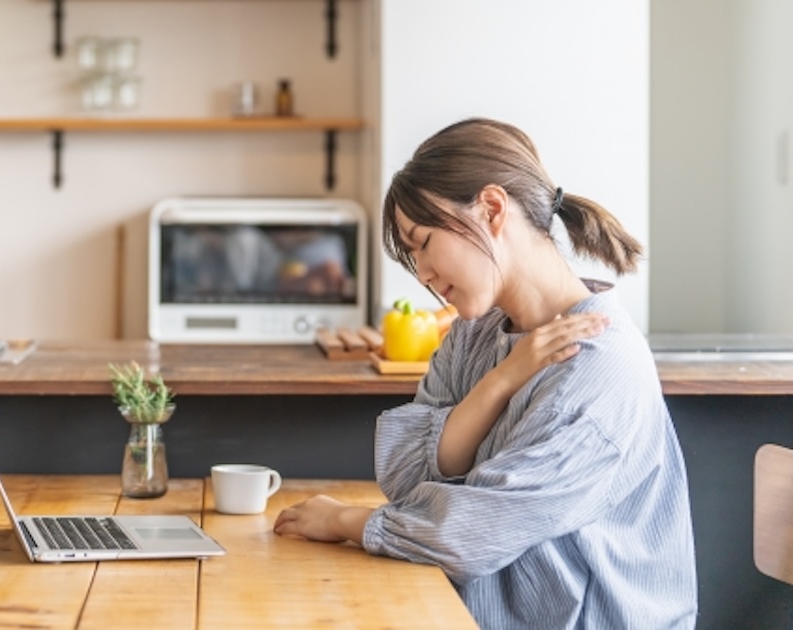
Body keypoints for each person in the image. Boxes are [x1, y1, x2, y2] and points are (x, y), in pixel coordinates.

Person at [273, 118, 698, 629]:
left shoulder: (596, 365)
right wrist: (501, 381)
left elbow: (469, 532)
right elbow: (408, 478)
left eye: (423, 242)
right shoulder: (475, 334)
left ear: (492, 209)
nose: (422, 274)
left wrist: (345, 520)